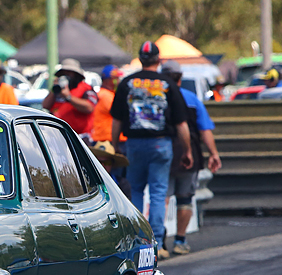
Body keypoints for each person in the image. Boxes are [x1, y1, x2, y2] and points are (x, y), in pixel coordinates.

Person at [110, 41, 193, 260]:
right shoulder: (168, 84)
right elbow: (181, 124)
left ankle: (138, 241)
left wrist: (115, 145)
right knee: (158, 192)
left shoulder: (127, 83)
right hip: (161, 143)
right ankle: (156, 243)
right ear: (158, 60)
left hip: (134, 143)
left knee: (136, 190)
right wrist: (187, 151)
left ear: (140, 59)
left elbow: (116, 120)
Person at [160, 60, 222, 256]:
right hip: (189, 155)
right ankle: (180, 240)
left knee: (161, 198)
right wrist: (213, 154)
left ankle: (159, 243)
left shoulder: (157, 98)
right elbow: (205, 129)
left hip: (162, 154)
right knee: (185, 198)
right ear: (180, 78)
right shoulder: (191, 99)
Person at [43, 58, 98, 135]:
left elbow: (89, 107)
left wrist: (68, 97)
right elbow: (45, 105)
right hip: (58, 134)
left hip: (79, 136)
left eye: (69, 72)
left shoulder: (86, 89)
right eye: (63, 73)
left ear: (76, 75)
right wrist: (55, 89)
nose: (66, 75)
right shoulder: (59, 89)